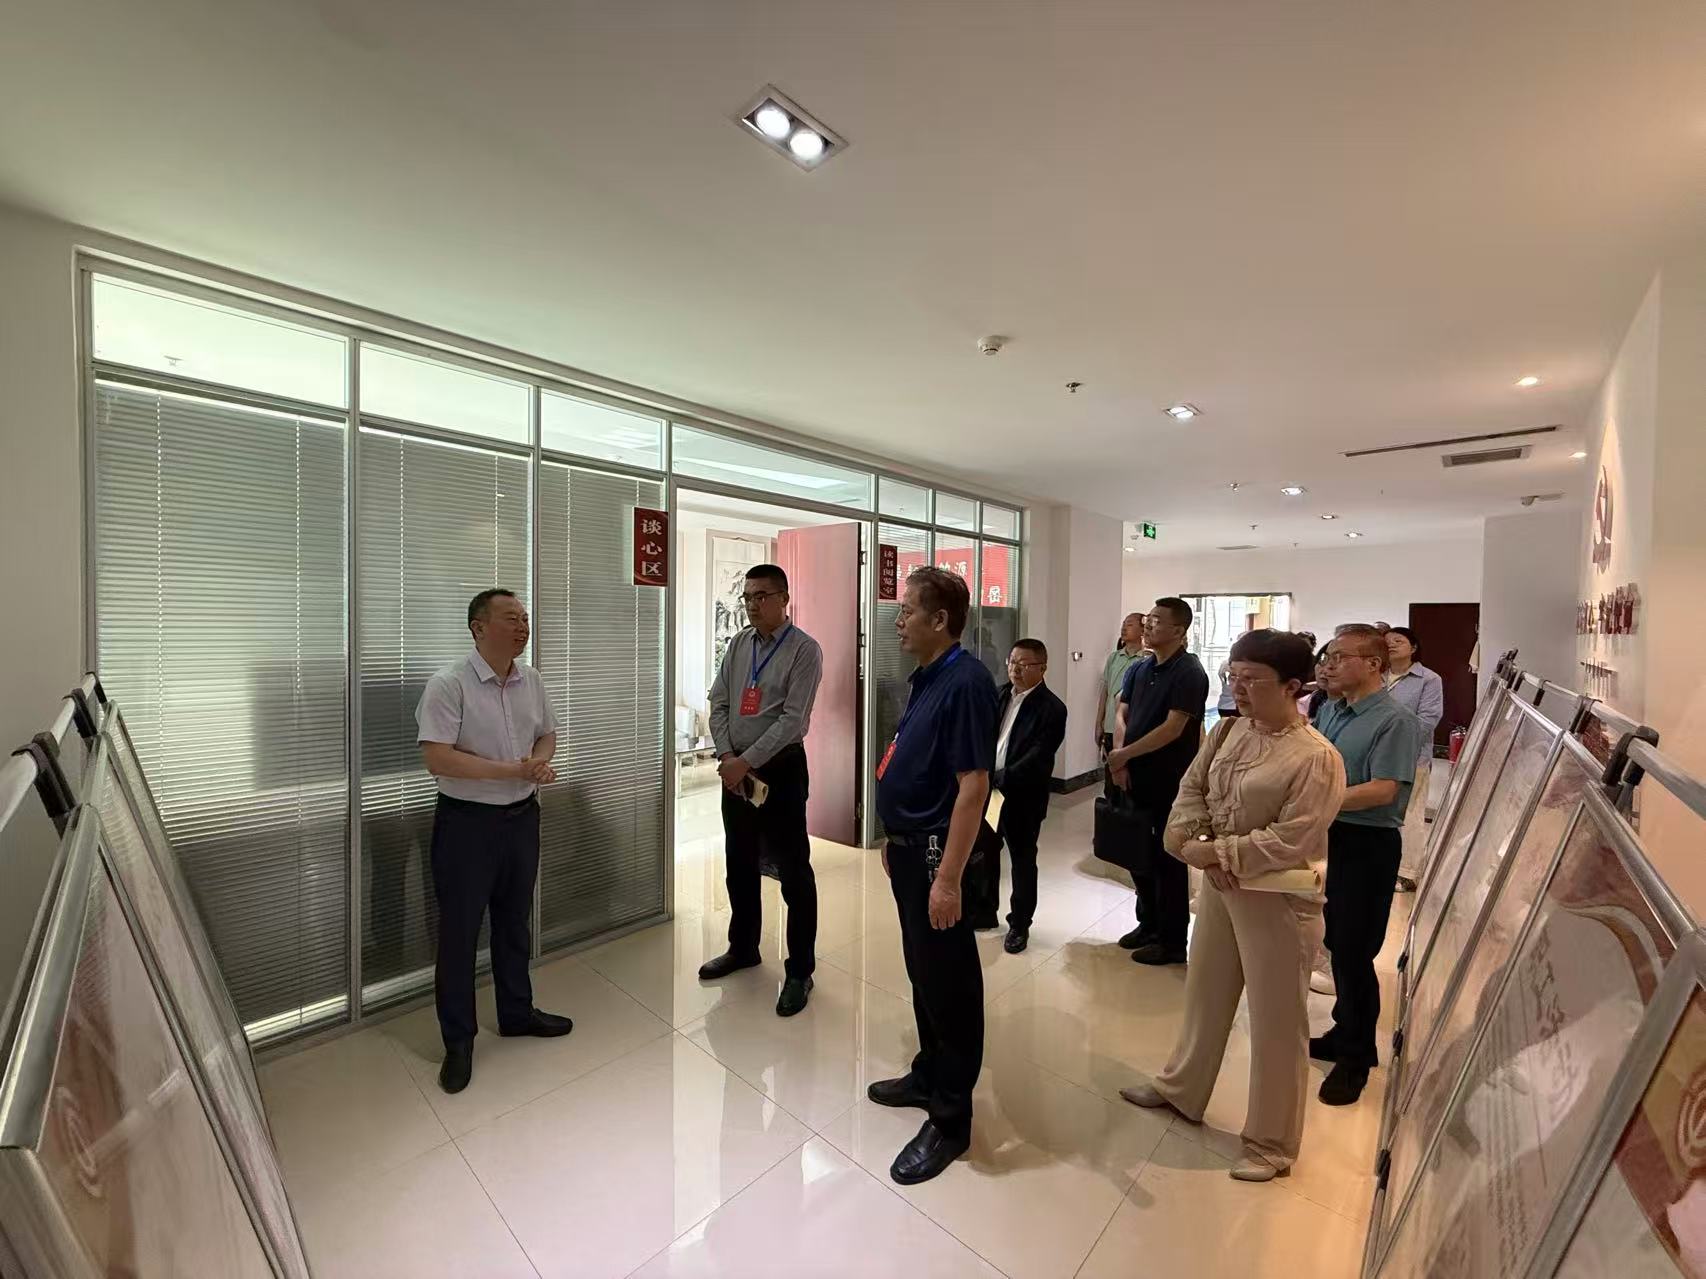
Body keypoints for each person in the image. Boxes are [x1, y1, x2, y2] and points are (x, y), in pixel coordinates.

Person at [1120, 630, 1345, 1181]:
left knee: (1276, 1021)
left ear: (1294, 686)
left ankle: (1272, 1142)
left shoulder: (1316, 757)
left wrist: (1215, 853)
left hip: (1278, 901)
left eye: (1252, 679)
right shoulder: (1227, 730)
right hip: (1224, 890)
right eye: (1233, 676)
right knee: (1205, 993)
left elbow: (1291, 839)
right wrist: (1197, 843)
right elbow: (1191, 790)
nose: (1237, 688)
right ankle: (1182, 1087)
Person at [866, 567, 998, 1186]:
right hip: (909, 847)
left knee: (950, 981)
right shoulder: (927, 676)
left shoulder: (966, 681)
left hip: (936, 856)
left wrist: (947, 879)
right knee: (922, 968)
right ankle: (928, 1073)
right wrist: (894, 836)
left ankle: (951, 1118)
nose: (898, 621)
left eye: (907, 611)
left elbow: (974, 786)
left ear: (939, 620)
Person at [416, 589, 573, 1095]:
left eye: (524, 618)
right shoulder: (449, 684)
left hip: (522, 819)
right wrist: (513, 770)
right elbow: (438, 758)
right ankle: (458, 1042)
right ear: (478, 627)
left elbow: (547, 733)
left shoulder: (533, 680)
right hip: (467, 824)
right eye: (511, 618)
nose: (522, 626)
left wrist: (539, 762)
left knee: (513, 923)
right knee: (460, 934)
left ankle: (516, 1012)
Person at [700, 564, 825, 1017]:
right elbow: (719, 702)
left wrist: (744, 761)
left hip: (780, 772)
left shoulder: (804, 650)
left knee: (794, 872)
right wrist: (726, 755)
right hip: (736, 772)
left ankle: (800, 971)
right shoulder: (739, 644)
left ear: (784, 599)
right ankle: (743, 947)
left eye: (761, 596)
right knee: (739, 862)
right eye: (748, 597)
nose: (752, 605)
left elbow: (793, 720)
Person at [1310, 624, 1425, 1106]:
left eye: (1340, 657)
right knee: (1336, 942)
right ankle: (1343, 1031)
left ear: (1373, 664)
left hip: (1367, 844)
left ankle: (1356, 1058)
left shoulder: (1395, 721)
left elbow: (1384, 790)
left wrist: (1317, 801)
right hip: (1332, 836)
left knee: (1355, 953)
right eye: (1328, 658)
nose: (1329, 665)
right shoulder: (1331, 710)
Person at [1106, 598, 1210, 965]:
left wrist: (1125, 755)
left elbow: (1173, 728)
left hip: (1168, 781)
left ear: (1179, 630)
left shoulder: (1189, 672)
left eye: (1156, 621)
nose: (1148, 625)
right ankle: (1147, 924)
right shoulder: (1140, 667)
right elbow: (1122, 711)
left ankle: (1172, 940)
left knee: (1168, 860)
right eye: (1148, 619)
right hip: (1132, 775)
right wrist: (1120, 758)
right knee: (1137, 852)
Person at [991, 639, 1067, 955]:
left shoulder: (1052, 708)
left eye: (1024, 664)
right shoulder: (999, 694)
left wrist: (1000, 778)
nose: (1016, 669)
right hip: (991, 792)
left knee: (1022, 860)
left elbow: (1039, 756)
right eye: (1012, 662)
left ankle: (1019, 925)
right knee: (985, 850)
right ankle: (984, 910)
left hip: (1022, 797)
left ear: (1042, 668)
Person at [1384, 626, 1445, 893]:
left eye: (1398, 641)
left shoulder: (1428, 679)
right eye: (1387, 642)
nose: (1391, 645)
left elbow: (1427, 720)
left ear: (1413, 648)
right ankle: (1384, 866)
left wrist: (1391, 740)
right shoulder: (1377, 676)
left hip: (1411, 756)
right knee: (1382, 814)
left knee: (1410, 814)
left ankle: (1408, 873)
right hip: (1376, 756)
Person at [1094, 614, 1147, 766]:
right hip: (1110, 726)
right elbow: (1105, 692)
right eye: (1123, 624)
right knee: (1110, 772)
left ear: (1142, 630)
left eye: (1129, 625)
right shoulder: (1114, 658)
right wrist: (1099, 723)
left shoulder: (1147, 660)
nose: (1123, 628)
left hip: (1133, 728)